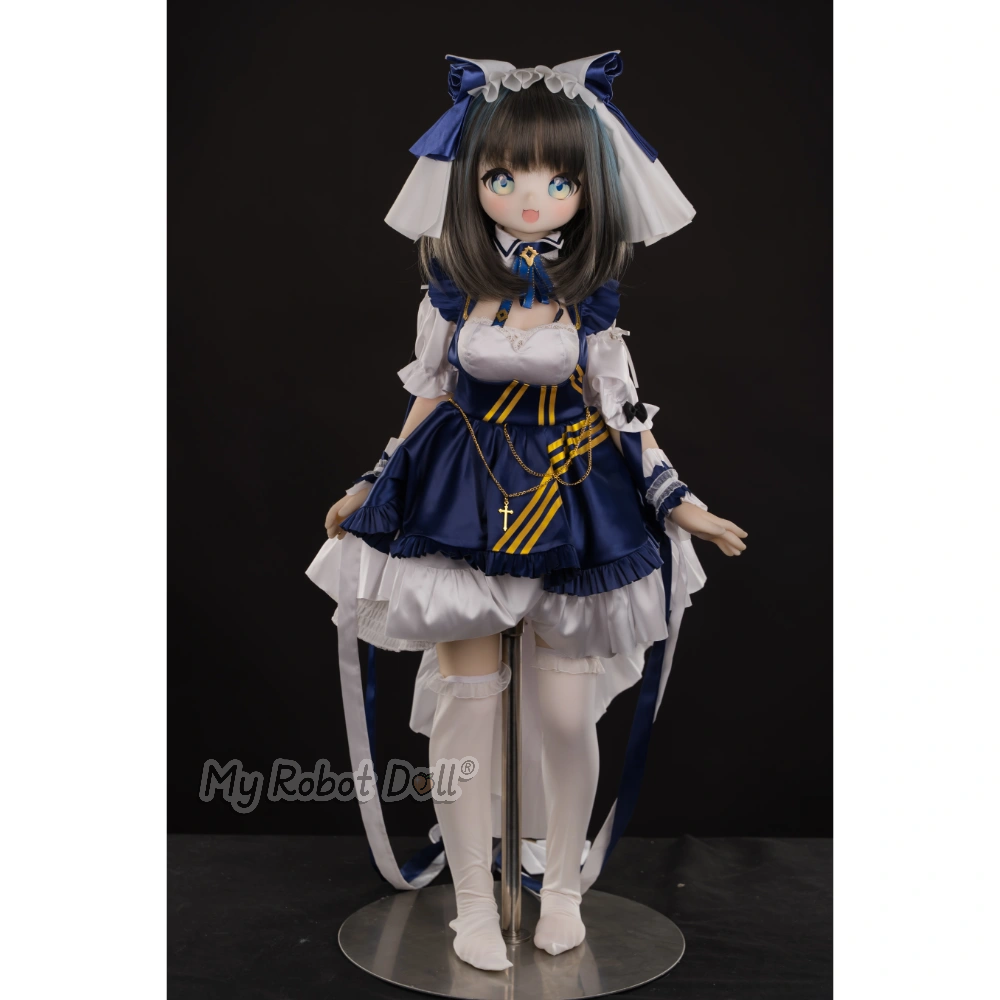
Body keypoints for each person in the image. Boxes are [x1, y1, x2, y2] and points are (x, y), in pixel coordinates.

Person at [307, 52, 748, 972]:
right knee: (467, 708)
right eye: (504, 178)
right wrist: (372, 482)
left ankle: (564, 889)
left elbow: (625, 413)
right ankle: (473, 905)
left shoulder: (591, 304)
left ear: (588, 187)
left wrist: (682, 503)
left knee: (565, 713)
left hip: (575, 500)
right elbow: (428, 395)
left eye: (559, 180)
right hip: (461, 500)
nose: (532, 199)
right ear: (473, 182)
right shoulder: (450, 292)